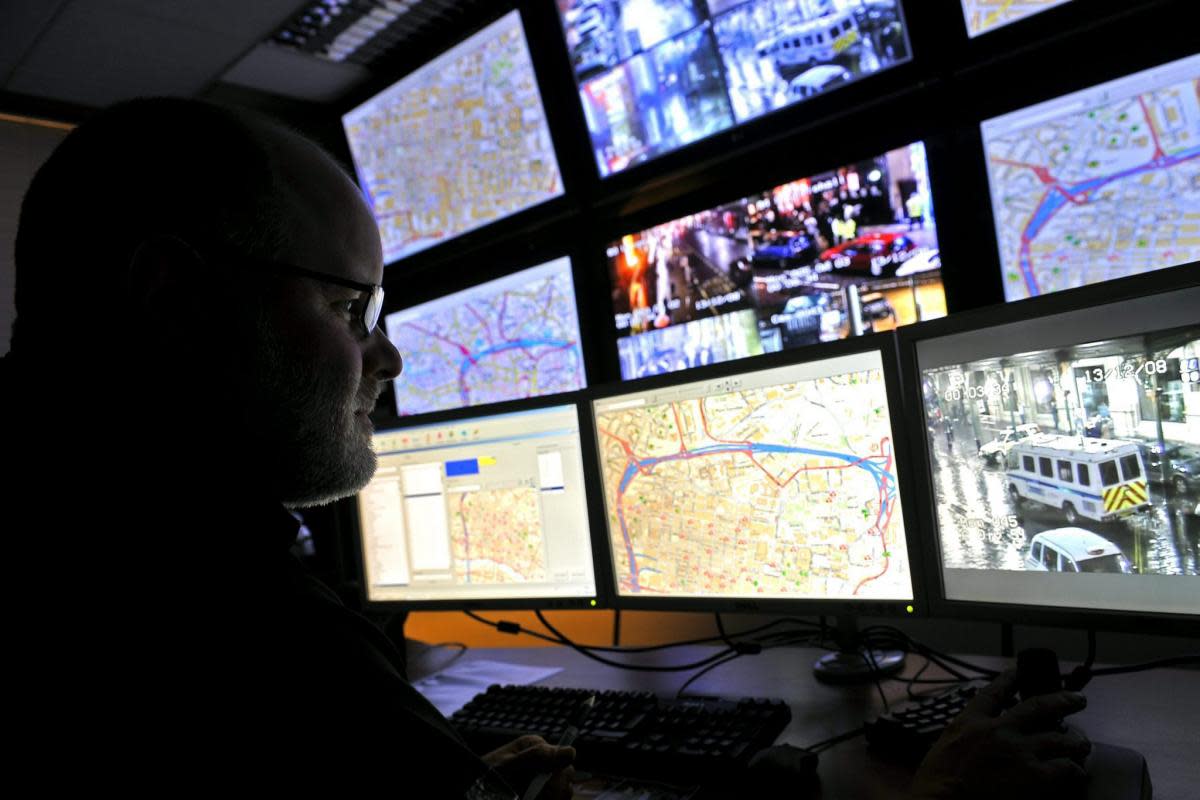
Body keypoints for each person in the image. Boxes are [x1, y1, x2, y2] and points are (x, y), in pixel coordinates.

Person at [1, 97, 1089, 797]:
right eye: (348, 310)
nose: (385, 361)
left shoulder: (82, 521)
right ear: (172, 297)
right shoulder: (213, 608)